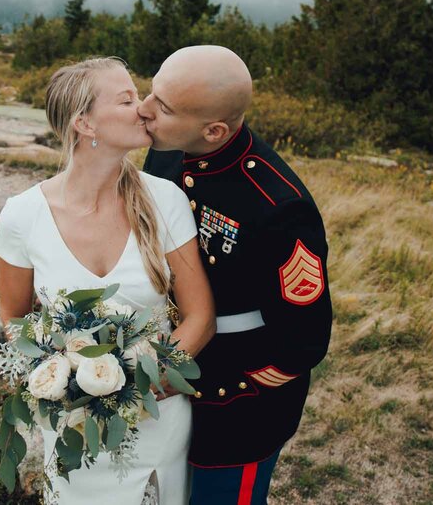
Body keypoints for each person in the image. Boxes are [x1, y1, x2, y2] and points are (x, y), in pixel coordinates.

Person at [0, 57, 217, 505]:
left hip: (157, 420)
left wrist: (148, 377)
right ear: (84, 123)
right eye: (128, 99)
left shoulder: (165, 200)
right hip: (72, 428)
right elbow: (14, 318)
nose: (145, 108)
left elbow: (201, 316)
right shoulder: (22, 214)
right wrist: (59, 376)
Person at [138, 45, 333, 505]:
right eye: (152, 92)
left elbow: (304, 342)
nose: (143, 110)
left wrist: (216, 387)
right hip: (167, 359)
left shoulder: (279, 208)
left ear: (214, 130)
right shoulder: (169, 151)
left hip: (233, 404)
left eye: (162, 107)